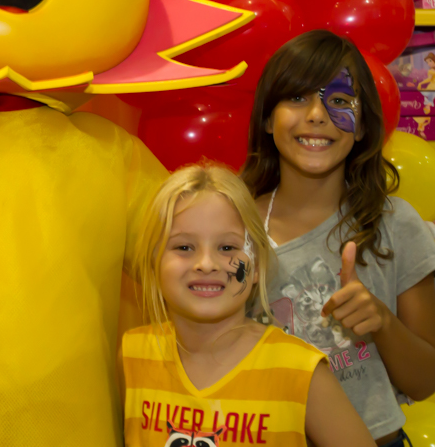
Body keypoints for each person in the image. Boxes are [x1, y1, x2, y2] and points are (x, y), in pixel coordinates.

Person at [243, 30, 435, 446]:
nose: (318, 115)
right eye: (297, 97)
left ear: (361, 128)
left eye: (339, 101)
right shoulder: (235, 226)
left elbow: (426, 380)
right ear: (268, 118)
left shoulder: (395, 225)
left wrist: (382, 323)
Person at [123, 163, 375, 447]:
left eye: (228, 247)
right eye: (183, 247)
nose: (206, 264)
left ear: (255, 267)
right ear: (153, 262)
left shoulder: (301, 372)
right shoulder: (131, 356)